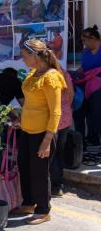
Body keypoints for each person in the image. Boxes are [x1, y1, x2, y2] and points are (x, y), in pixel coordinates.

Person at [15, 39, 66, 225]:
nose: (23, 59)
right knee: (24, 167)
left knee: (39, 172)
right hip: (27, 130)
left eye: (24, 56)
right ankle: (29, 202)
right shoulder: (33, 73)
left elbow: (56, 111)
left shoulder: (51, 77)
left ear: (35, 55)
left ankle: (43, 210)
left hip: (43, 133)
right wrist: (19, 120)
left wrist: (47, 141)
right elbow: (29, 103)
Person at [74, 25, 101, 147]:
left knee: (95, 113)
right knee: (79, 110)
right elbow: (84, 67)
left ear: (94, 38)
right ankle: (82, 141)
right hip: (86, 85)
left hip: (98, 87)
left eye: (85, 40)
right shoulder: (85, 53)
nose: (84, 43)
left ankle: (95, 137)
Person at [50, 67, 74, 197]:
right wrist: (65, 106)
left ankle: (51, 185)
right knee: (58, 153)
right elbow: (71, 94)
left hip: (52, 119)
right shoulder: (64, 73)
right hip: (65, 117)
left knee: (49, 154)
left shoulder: (47, 74)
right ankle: (57, 186)